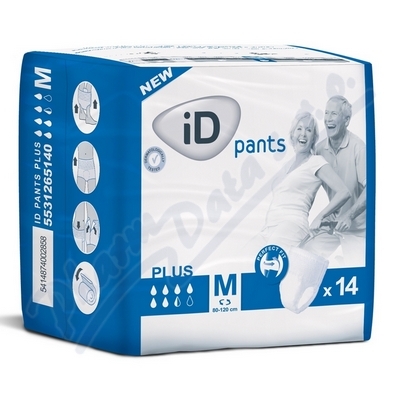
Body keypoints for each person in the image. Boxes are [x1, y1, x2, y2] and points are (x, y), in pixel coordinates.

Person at [254, 111, 351, 250]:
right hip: (269, 226)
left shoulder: (315, 162)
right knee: (243, 257)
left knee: (271, 260)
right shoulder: (286, 165)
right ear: (292, 134)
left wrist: (320, 216)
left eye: (309, 130)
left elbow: (344, 192)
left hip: (292, 224)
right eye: (299, 128)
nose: (303, 134)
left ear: (313, 139)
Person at [303, 95, 366, 266]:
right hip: (332, 225)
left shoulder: (358, 148)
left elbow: (372, 189)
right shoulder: (319, 150)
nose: (328, 119)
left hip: (358, 229)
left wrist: (349, 216)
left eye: (334, 114)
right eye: (326, 113)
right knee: (305, 256)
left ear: (347, 120)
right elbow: (308, 188)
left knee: (354, 269)